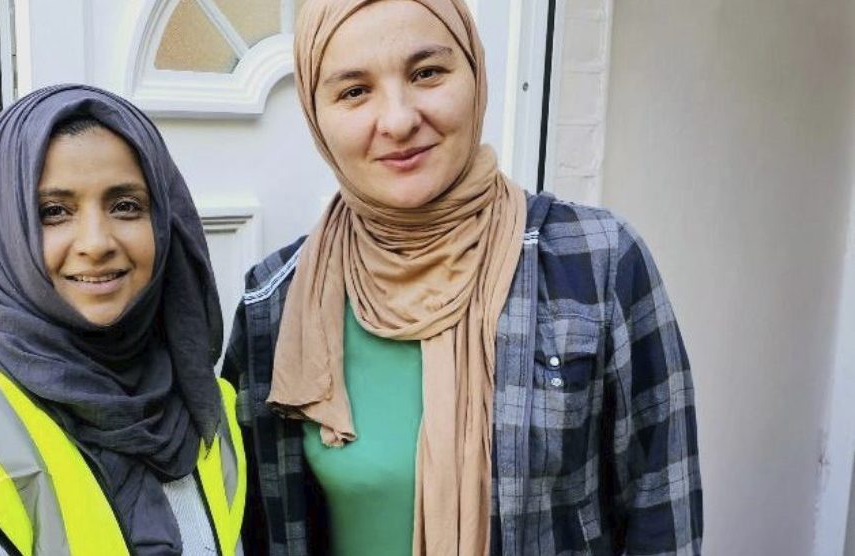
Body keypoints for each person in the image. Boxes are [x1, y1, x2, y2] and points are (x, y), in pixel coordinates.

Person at [225, 0, 702, 555]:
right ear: (316, 113)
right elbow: (262, 529)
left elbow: (661, 517)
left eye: (427, 72)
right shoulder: (276, 305)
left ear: (475, 74)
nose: (399, 119)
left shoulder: (598, 264)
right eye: (354, 91)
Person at [0, 84, 245, 556]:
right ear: (1, 228)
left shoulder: (205, 403)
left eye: (125, 205)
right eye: (54, 212)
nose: (96, 242)